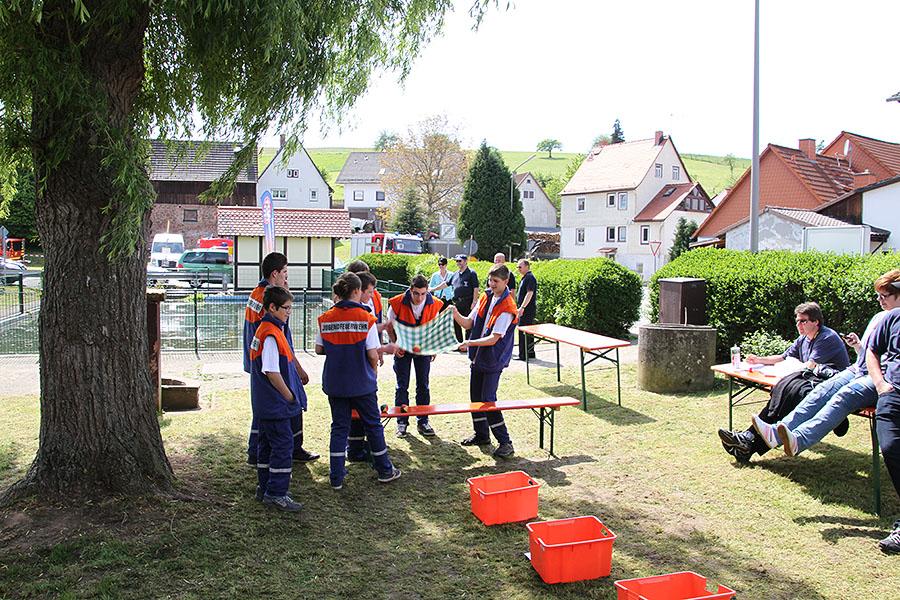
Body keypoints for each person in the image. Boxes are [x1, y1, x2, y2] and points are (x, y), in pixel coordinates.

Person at [752, 271, 900, 457]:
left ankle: (799, 439)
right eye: (877, 295)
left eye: (884, 296)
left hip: (879, 377)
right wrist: (858, 347)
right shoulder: (880, 317)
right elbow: (871, 353)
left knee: (844, 396)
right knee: (821, 391)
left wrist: (880, 383)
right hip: (858, 370)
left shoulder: (895, 320)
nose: (879, 300)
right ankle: (775, 433)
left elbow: (889, 360)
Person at [718, 302, 850, 462]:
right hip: (811, 383)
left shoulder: (827, 337)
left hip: (833, 387)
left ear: (816, 322)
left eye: (803, 321)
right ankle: (747, 443)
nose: (799, 325)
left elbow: (811, 365)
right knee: (785, 390)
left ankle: (747, 440)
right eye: (797, 321)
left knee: (789, 392)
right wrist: (759, 360)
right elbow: (783, 357)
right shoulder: (803, 339)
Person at [316, 272, 401, 490]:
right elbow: (373, 354)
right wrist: (373, 373)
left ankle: (336, 477)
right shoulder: (366, 318)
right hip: (362, 383)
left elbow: (319, 349)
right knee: (373, 426)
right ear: (356, 291)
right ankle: (384, 470)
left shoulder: (326, 317)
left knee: (339, 428)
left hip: (335, 382)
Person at [242, 252, 317, 466]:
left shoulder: (257, 294)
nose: (287, 277)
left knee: (264, 409)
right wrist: (297, 367)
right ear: (274, 273)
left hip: (258, 360)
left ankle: (259, 452)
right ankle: (285, 449)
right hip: (274, 360)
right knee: (285, 402)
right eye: (284, 272)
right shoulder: (271, 299)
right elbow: (277, 336)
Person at [451, 263, 518, 458]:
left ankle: (505, 442)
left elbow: (494, 338)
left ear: (506, 282)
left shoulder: (507, 307)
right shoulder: (485, 297)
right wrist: (455, 314)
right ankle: (481, 435)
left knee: (488, 401)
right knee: (475, 398)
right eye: (490, 280)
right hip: (478, 358)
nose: (491, 284)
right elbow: (469, 322)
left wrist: (469, 343)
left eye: (496, 281)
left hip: (493, 359)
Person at [248, 286, 305, 512]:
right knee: (283, 445)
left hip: (263, 403)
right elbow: (272, 371)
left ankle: (264, 487)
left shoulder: (265, 329)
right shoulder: (270, 334)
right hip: (274, 404)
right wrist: (290, 396)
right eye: (286, 309)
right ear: (272, 307)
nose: (289, 312)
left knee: (266, 445)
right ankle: (277, 493)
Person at [387, 275, 443, 438]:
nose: (420, 298)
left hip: (423, 349)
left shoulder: (434, 304)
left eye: (423, 294)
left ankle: (423, 421)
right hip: (403, 349)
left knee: (423, 385)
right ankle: (402, 421)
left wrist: (434, 347)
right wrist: (394, 343)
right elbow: (389, 326)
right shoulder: (397, 303)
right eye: (416, 293)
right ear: (410, 290)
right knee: (402, 386)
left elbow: (435, 327)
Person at [865, 304, 900, 554]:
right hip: (893, 395)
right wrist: (880, 384)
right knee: (890, 447)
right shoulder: (893, 318)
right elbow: (872, 351)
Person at [431, 254, 479, 345]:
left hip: (468, 302)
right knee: (455, 322)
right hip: (457, 302)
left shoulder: (471, 273)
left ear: (465, 261)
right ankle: (459, 343)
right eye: (456, 261)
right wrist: (432, 289)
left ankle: (468, 344)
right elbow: (446, 284)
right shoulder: (455, 274)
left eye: (460, 261)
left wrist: (474, 302)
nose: (458, 263)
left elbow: (476, 288)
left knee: (468, 324)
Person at [516, 258, 537, 361]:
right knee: (528, 331)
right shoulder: (526, 277)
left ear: (527, 267)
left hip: (527, 309)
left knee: (523, 331)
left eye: (520, 267)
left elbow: (530, 293)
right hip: (526, 309)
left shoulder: (529, 278)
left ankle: (523, 354)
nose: (518, 269)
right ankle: (530, 353)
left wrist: (522, 307)